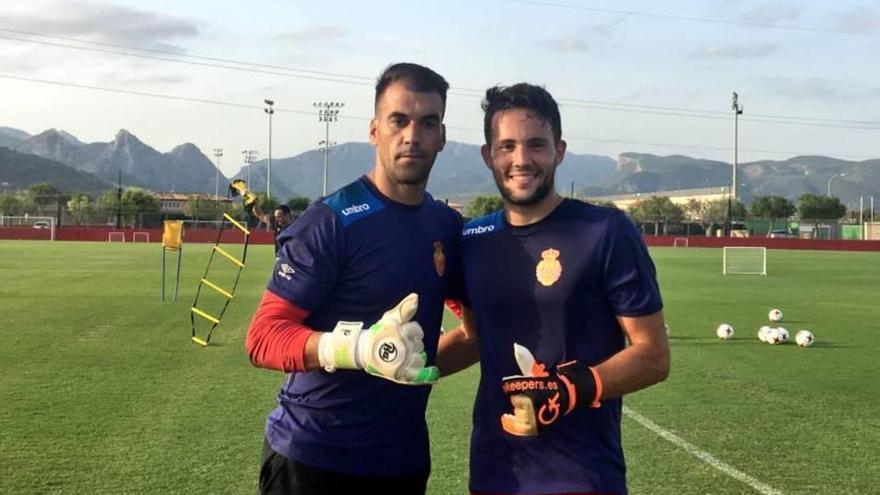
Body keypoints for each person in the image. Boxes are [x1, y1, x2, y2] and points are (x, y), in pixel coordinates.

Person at [437, 83, 670, 495]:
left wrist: (571, 388)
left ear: (559, 151)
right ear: (488, 155)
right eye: (506, 146)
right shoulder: (472, 239)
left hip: (580, 476)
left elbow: (653, 356)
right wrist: (392, 366)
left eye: (536, 145)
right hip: (495, 472)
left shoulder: (606, 232)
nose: (521, 160)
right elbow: (475, 338)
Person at [245, 62, 461, 495]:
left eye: (427, 123)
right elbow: (263, 338)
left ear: (441, 135)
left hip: (403, 462)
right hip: (313, 459)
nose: (412, 136)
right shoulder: (330, 221)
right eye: (398, 120)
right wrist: (360, 349)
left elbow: (475, 330)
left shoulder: (445, 226)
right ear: (374, 129)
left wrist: (408, 365)